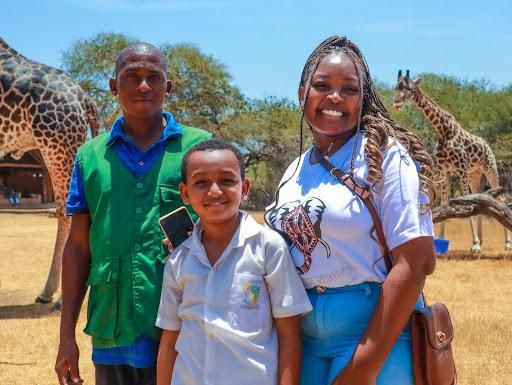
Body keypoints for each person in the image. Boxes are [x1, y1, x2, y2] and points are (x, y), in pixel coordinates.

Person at [264, 36, 437, 385]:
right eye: (322, 85)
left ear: (364, 98)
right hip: (306, 339)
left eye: (350, 89)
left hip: (372, 335)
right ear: (302, 94)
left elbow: (416, 262)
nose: (335, 97)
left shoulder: (385, 157)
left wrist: (363, 368)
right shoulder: (296, 170)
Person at [55, 42, 211, 385]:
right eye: (132, 77)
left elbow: (223, 237)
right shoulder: (89, 157)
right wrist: (66, 336)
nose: (143, 86)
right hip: (113, 328)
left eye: (154, 77)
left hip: (184, 325)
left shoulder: (200, 149)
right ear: (114, 86)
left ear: (167, 86)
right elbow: (79, 248)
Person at [155, 139, 312, 385]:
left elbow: (289, 334)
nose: (215, 191)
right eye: (201, 182)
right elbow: (169, 340)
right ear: (185, 193)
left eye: (227, 181)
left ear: (245, 188)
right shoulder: (179, 258)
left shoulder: (267, 247)